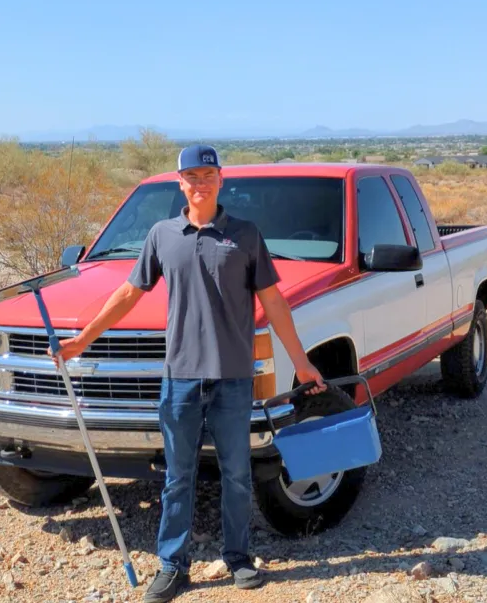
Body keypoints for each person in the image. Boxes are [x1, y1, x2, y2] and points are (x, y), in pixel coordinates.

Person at [51, 144, 325, 602]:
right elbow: (127, 294)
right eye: (192, 176)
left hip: (233, 377)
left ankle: (238, 557)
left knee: (237, 474)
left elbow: (273, 302)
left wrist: (301, 361)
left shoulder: (245, 234)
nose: (200, 183)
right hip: (179, 378)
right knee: (178, 476)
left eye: (208, 175)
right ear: (180, 183)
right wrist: (84, 339)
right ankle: (172, 565)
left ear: (222, 180)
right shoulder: (162, 235)